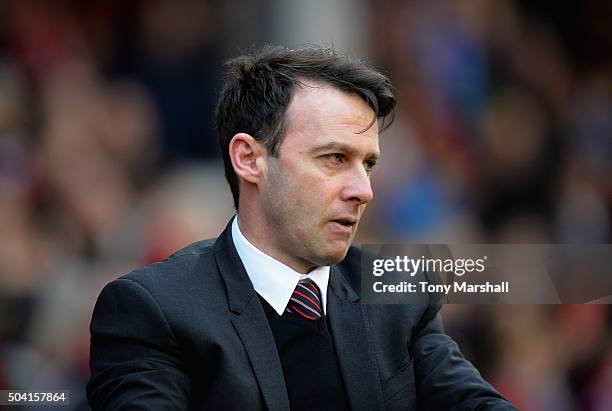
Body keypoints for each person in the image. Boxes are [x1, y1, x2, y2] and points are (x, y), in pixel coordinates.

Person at [87, 45, 517, 410]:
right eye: (334, 158)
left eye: (367, 164)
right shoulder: (153, 310)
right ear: (249, 159)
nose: (363, 190)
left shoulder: (398, 294)